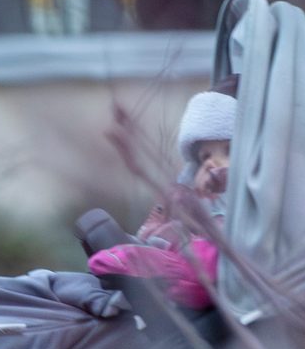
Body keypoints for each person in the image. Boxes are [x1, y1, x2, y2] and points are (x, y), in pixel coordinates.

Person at [87, 86, 235, 310]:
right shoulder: (200, 192)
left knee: (204, 254)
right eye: (205, 156)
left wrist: (222, 178)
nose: (213, 162)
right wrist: (182, 201)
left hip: (224, 261)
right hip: (192, 245)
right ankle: (143, 258)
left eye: (228, 151)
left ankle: (156, 270)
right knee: (172, 234)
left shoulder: (253, 190)